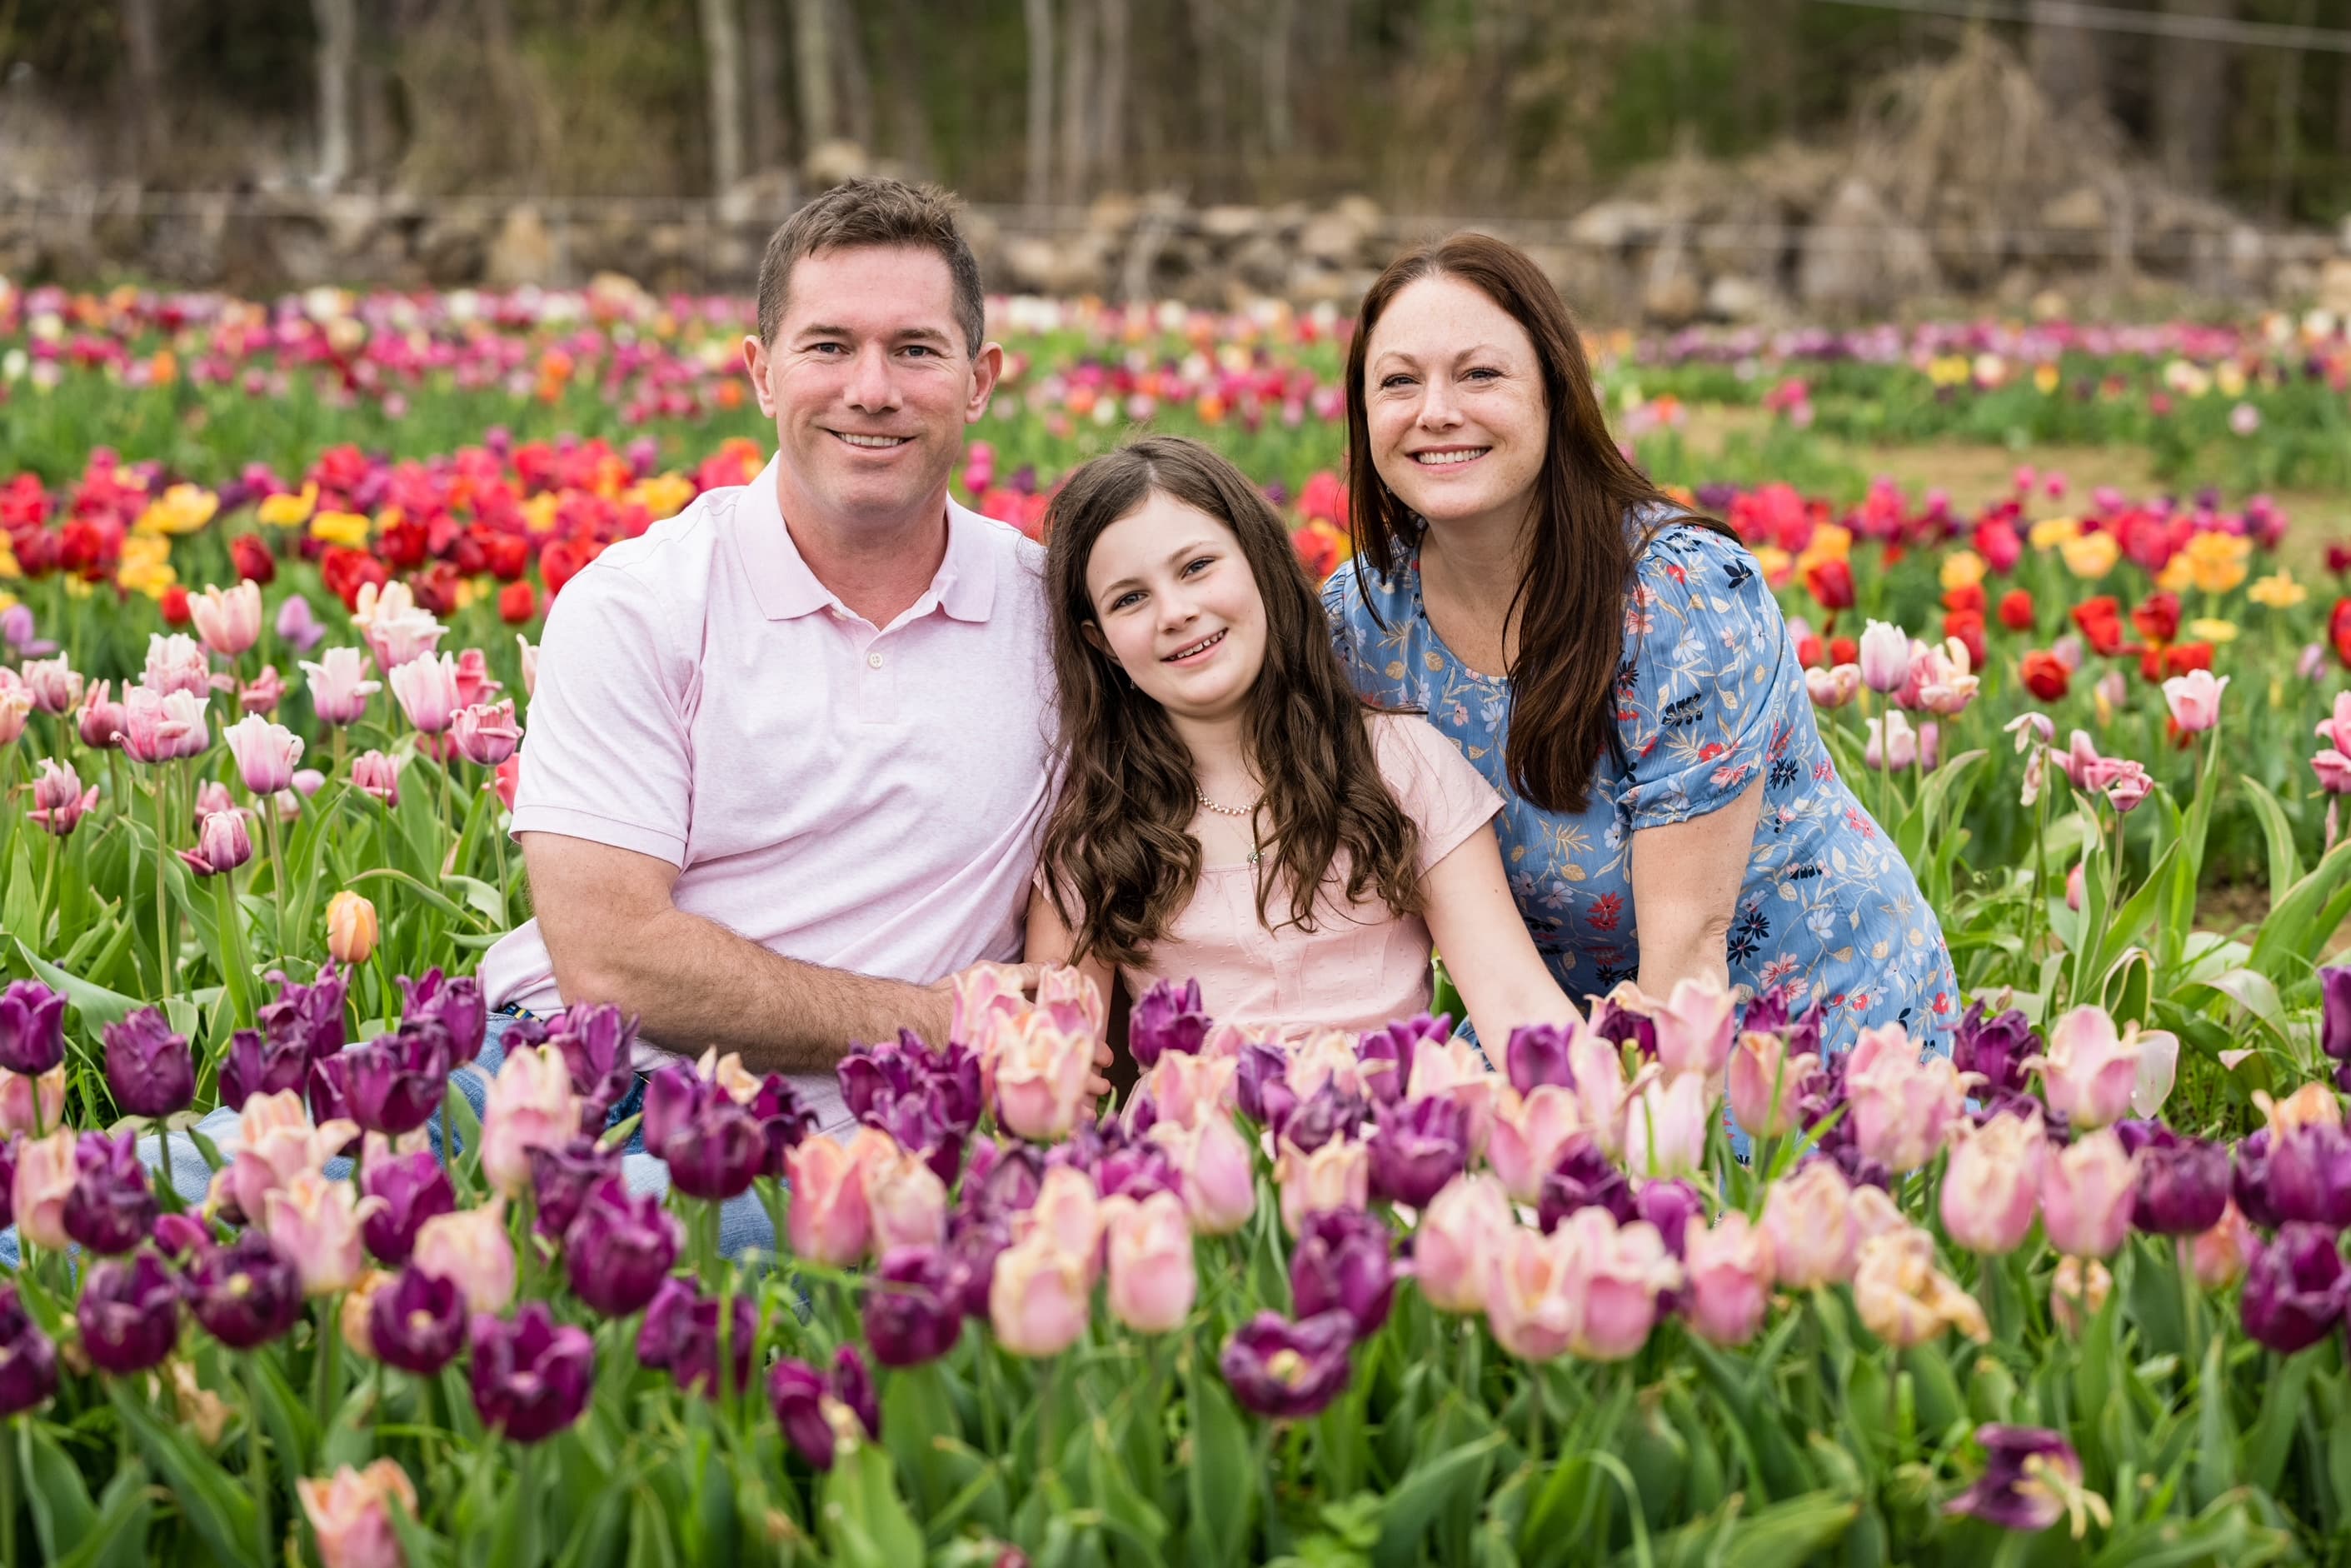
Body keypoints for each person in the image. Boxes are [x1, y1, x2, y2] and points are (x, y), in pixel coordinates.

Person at [468, 178, 1093, 1250]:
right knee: (180, 1188)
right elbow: (611, 960)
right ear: (760, 373)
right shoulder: (641, 602)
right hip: (571, 1080)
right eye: (827, 346)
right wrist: (942, 1022)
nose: (871, 388)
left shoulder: (1059, 621)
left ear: (980, 380)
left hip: (842, 1149)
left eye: (915, 350)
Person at [1323, 232, 1958, 1058]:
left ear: (1555, 391)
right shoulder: (1364, 618)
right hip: (1556, 1022)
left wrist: (1641, 1160)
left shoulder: (1674, 595)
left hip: (1795, 1022)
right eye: (1398, 382)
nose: (1435, 410)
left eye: (1478, 374)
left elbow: (1690, 944)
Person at [1024, 435, 1580, 1052]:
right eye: (1130, 599)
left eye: (1197, 567)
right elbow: (1056, 1069)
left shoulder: (1398, 763)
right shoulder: (1095, 833)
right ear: (1102, 644)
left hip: (1385, 1132)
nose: (1175, 611)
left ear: (1260, 564)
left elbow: (1515, 1001)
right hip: (1195, 1143)